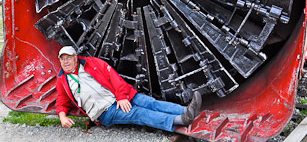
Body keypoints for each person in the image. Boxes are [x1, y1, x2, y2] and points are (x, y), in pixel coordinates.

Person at [56, 46, 202, 132]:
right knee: (139, 113)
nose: (66, 61)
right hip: (105, 111)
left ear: (75, 57)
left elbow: (113, 77)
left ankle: (187, 110)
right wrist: (62, 117)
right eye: (62, 59)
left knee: (149, 102)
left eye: (68, 57)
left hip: (119, 96)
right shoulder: (62, 79)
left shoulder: (92, 63)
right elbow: (62, 101)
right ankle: (180, 120)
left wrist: (121, 96)